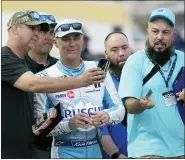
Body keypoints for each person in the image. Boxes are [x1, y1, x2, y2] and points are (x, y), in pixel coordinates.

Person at [1, 10, 105, 159]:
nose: (37, 34)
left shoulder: (22, 62)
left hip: (36, 149)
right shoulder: (4, 58)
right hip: (10, 152)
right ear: (16, 29)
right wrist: (81, 81)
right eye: (33, 28)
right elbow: (33, 84)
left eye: (41, 30)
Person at [33, 18, 126, 159]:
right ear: (55, 43)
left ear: (83, 40)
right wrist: (70, 124)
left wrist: (107, 116)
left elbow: (120, 109)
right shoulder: (44, 77)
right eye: (65, 39)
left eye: (76, 38)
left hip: (95, 151)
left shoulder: (98, 70)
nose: (72, 44)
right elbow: (40, 126)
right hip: (64, 152)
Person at [118, 8, 185, 158]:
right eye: (155, 31)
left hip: (181, 148)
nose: (159, 37)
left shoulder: (183, 59)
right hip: (148, 149)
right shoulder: (135, 61)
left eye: (165, 32)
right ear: (148, 32)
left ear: (173, 36)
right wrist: (140, 105)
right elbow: (129, 105)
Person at [25, 12, 58, 158]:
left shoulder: (61, 67)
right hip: (27, 149)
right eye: (43, 31)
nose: (49, 37)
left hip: (61, 147)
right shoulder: (18, 67)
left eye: (52, 32)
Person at [101, 31, 132, 159]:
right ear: (106, 54)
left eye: (124, 48)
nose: (121, 53)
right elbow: (100, 129)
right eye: (114, 50)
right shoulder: (99, 83)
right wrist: (116, 155)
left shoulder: (143, 78)